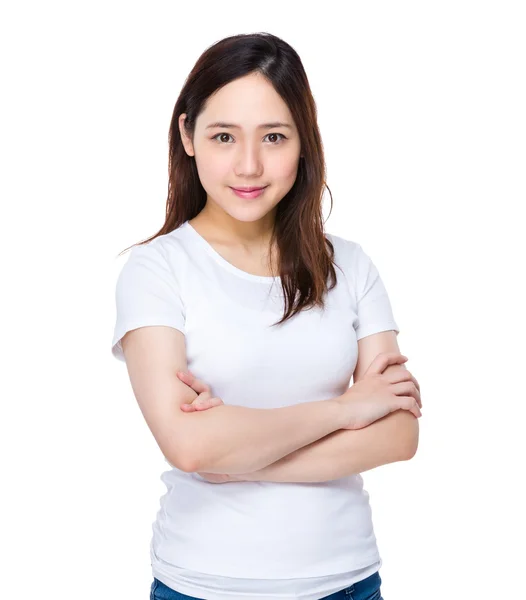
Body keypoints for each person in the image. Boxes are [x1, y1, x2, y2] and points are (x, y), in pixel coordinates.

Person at [111, 32, 422, 600]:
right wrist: (347, 409)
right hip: (204, 585)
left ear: (304, 141)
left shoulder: (349, 265)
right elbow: (190, 447)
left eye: (274, 136)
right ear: (187, 135)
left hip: (347, 582)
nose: (248, 165)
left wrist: (242, 454)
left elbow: (399, 433)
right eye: (223, 136)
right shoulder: (157, 271)